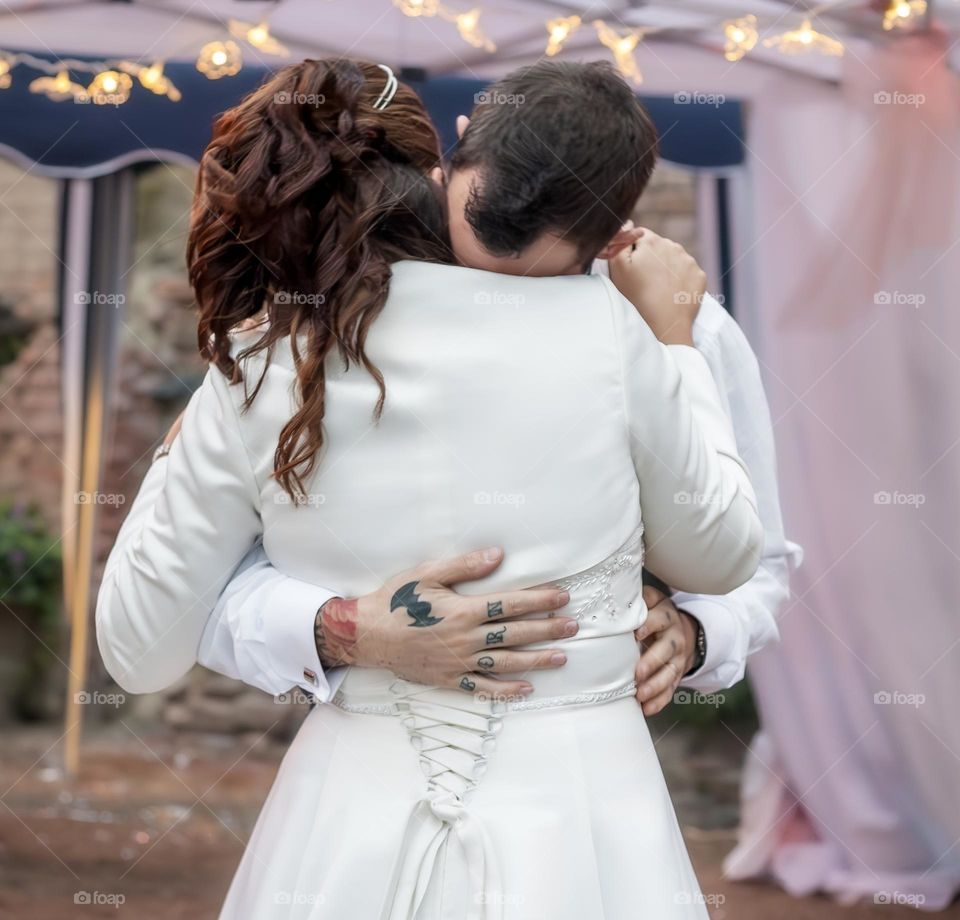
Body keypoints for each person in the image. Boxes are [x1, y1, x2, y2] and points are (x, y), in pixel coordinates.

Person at [97, 59, 763, 918]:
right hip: (582, 815)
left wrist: (197, 422)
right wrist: (674, 353)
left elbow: (139, 650)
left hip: (345, 819)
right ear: (432, 169)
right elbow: (725, 548)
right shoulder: (620, 327)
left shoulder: (263, 369)